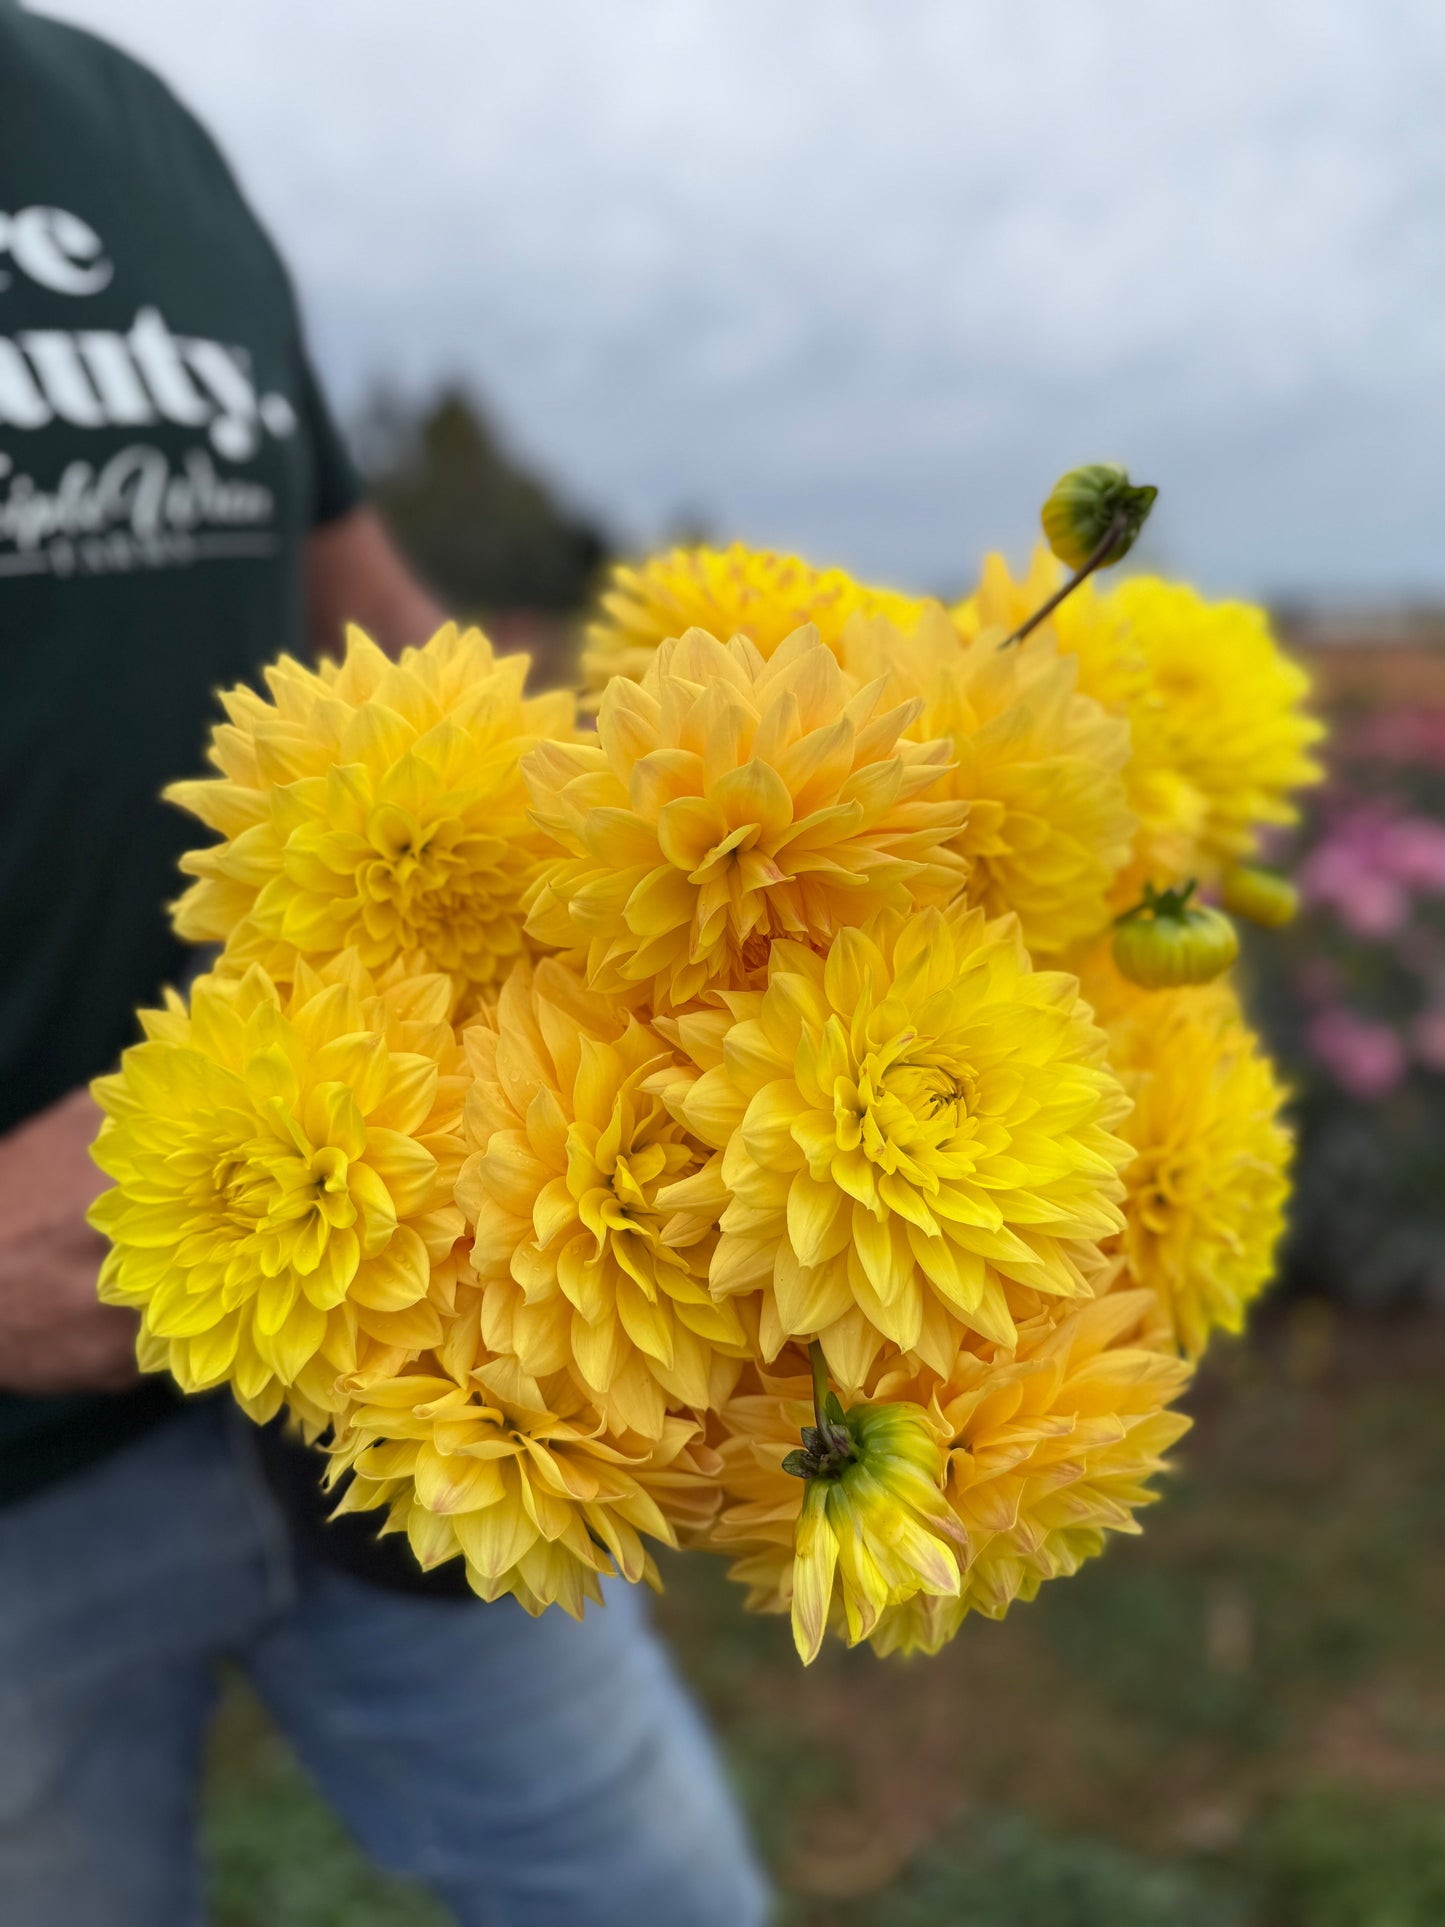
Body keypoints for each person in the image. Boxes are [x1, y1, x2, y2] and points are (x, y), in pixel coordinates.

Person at [0, 8, 768, 1924]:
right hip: (20, 1489)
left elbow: (378, 626)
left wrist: (697, 818)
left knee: (662, 1897)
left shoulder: (131, 130)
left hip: (424, 1357)